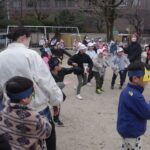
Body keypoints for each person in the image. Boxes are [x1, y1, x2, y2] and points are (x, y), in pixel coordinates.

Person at [0, 27, 63, 150]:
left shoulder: (1, 56)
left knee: (12, 136)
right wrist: (56, 101)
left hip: (10, 105)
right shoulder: (31, 54)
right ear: (24, 38)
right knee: (48, 133)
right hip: (35, 106)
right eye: (29, 38)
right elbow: (46, 81)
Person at [0, 76, 52, 150]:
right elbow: (47, 132)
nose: (32, 95)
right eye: (32, 94)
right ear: (24, 99)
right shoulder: (34, 117)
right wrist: (44, 118)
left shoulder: (3, 112)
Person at [117, 61, 150, 150]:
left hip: (126, 130)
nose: (148, 80)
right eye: (147, 77)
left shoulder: (127, 90)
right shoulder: (135, 96)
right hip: (132, 133)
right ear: (135, 78)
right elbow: (147, 113)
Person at [49, 57, 79, 126]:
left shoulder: (61, 70)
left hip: (58, 91)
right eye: (59, 64)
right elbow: (51, 87)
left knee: (61, 99)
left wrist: (76, 68)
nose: (61, 65)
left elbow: (69, 70)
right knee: (56, 105)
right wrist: (63, 83)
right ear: (55, 67)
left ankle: (54, 112)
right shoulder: (48, 75)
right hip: (51, 92)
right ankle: (56, 120)